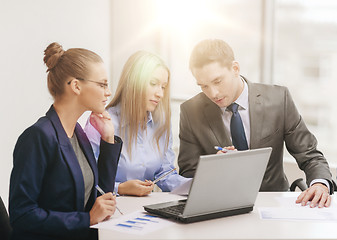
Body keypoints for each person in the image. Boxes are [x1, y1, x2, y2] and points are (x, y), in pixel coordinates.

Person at [178, 39, 333, 208]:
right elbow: (187, 173)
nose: (213, 93)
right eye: (204, 86)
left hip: (272, 204)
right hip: (220, 206)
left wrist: (320, 184)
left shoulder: (278, 99)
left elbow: (309, 154)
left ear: (235, 69)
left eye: (217, 81)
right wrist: (215, 170)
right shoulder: (191, 111)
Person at [9, 42, 122, 240]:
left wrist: (108, 139)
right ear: (76, 85)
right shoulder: (38, 137)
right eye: (102, 84)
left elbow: (101, 196)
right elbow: (22, 215)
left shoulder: (78, 133)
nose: (108, 92)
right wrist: (86, 219)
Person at [85, 51, 190, 196]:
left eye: (163, 87)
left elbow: (166, 174)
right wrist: (120, 188)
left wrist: (196, 185)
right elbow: (87, 180)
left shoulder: (161, 123)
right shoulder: (102, 123)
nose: (160, 93)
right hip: (111, 207)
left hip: (146, 210)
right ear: (134, 82)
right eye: (153, 83)